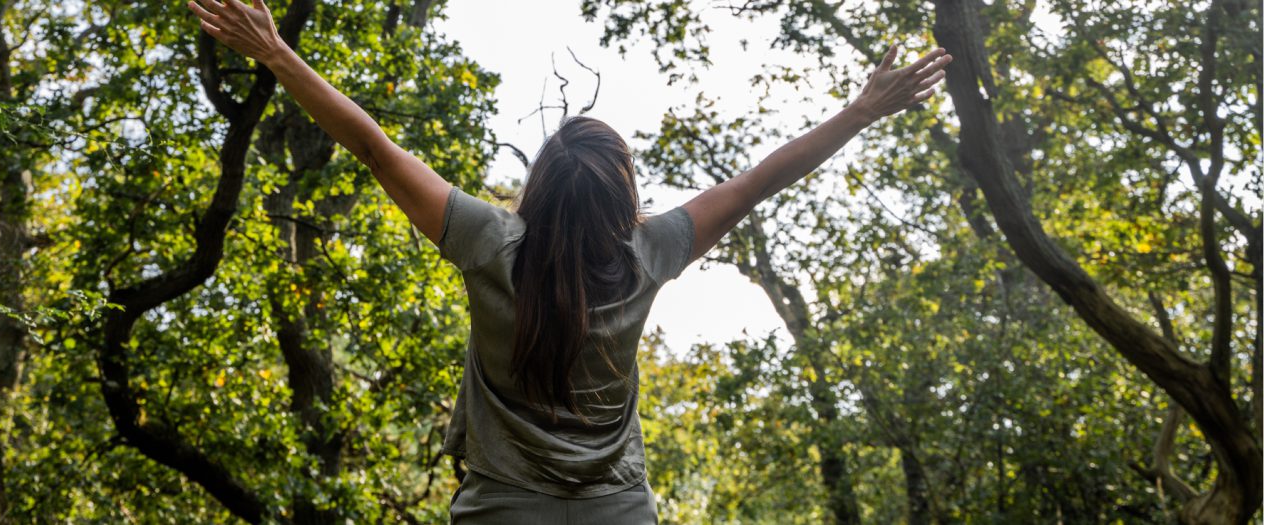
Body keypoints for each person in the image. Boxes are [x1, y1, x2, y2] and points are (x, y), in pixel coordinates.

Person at [187, 1, 951, 522]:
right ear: (623, 200)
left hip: (499, 509)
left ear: (541, 186)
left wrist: (277, 51)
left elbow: (371, 145)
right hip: (617, 509)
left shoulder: (486, 242)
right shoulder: (650, 251)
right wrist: (858, 111)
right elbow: (757, 181)